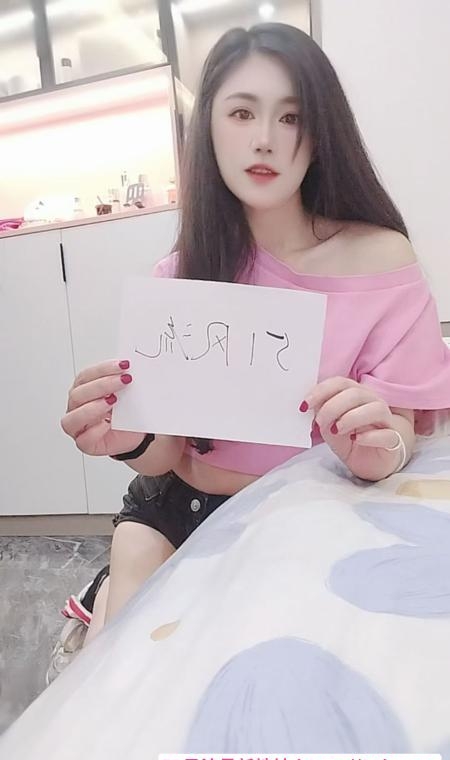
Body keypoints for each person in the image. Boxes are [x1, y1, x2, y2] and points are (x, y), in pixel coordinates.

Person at [47, 22, 450, 682]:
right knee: (120, 682)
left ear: (321, 134)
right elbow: (166, 454)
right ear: (208, 127)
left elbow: (400, 434)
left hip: (315, 513)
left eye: (291, 117)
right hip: (176, 510)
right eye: (241, 113)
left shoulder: (379, 260)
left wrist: (378, 444)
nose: (265, 138)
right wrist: (130, 438)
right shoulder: (181, 275)